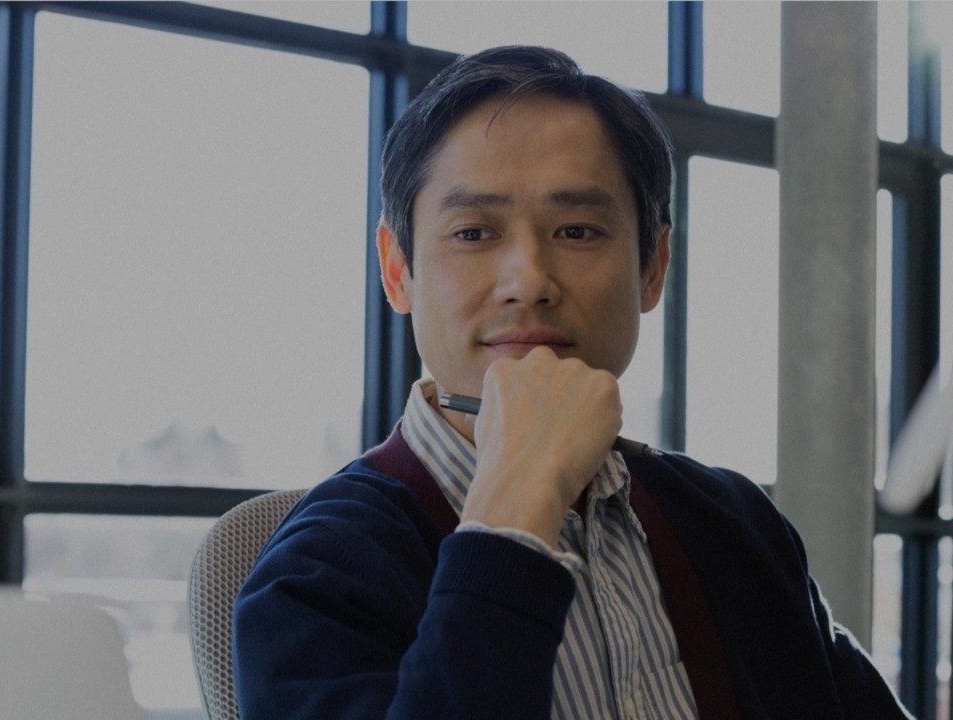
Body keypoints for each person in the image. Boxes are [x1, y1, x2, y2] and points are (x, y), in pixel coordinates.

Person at [232, 46, 911, 719]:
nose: (528, 279)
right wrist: (511, 518)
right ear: (397, 270)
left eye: (578, 230)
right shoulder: (319, 572)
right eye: (473, 232)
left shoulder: (731, 522)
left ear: (653, 267)